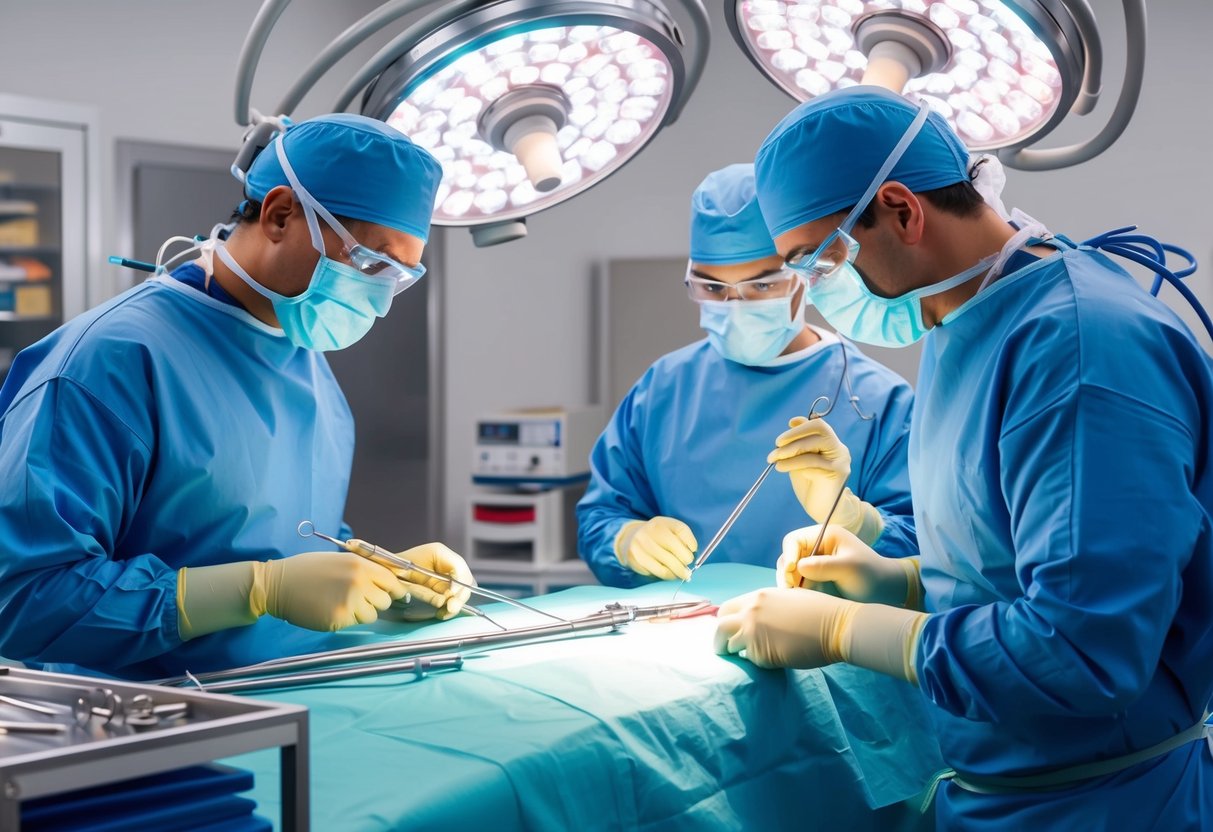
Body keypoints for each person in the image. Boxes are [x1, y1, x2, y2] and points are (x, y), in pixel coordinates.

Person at [714, 86, 1213, 830]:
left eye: (817, 262)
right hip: (1005, 792)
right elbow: (1018, 559)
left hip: (1102, 805)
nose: (818, 294)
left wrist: (843, 631)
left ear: (901, 210)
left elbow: (1082, 653)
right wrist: (897, 580)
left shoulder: (1076, 350)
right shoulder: (964, 321)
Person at [0, 114, 474, 679]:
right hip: (142, 724)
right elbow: (23, 598)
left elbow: (278, 531)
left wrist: (381, 576)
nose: (379, 298)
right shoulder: (109, 361)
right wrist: (255, 589)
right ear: (279, 215)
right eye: (370, 262)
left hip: (293, 697)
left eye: (398, 275)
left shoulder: (303, 356)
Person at [578, 163, 916, 588]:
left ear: (805, 275)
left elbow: (925, 553)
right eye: (713, 289)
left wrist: (858, 522)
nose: (735, 307)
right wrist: (626, 540)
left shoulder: (879, 399)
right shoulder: (664, 386)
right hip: (680, 631)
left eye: (762, 286)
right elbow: (600, 516)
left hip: (822, 644)